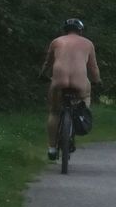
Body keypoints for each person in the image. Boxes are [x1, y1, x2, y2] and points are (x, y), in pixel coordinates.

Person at [39, 18, 100, 161]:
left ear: (64, 30)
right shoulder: (88, 44)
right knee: (86, 93)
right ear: (81, 30)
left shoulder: (56, 42)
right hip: (79, 83)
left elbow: (48, 62)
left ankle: (52, 148)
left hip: (58, 82)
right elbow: (93, 67)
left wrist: (42, 75)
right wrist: (97, 80)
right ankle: (81, 111)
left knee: (54, 112)